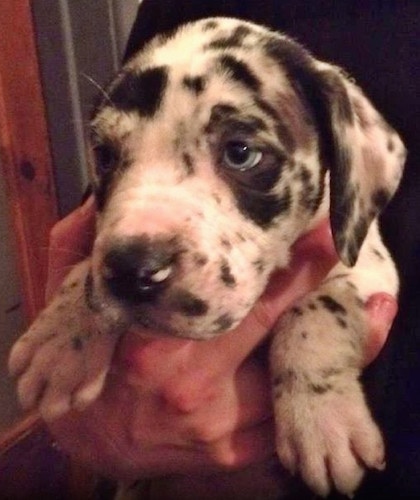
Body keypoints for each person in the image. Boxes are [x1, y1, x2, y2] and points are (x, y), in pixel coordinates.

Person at [48, 1, 420, 498]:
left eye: (240, 151)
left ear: (349, 160)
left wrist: (314, 365)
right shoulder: (174, 17)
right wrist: (76, 322)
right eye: (113, 154)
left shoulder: (328, 131)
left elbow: (367, 281)